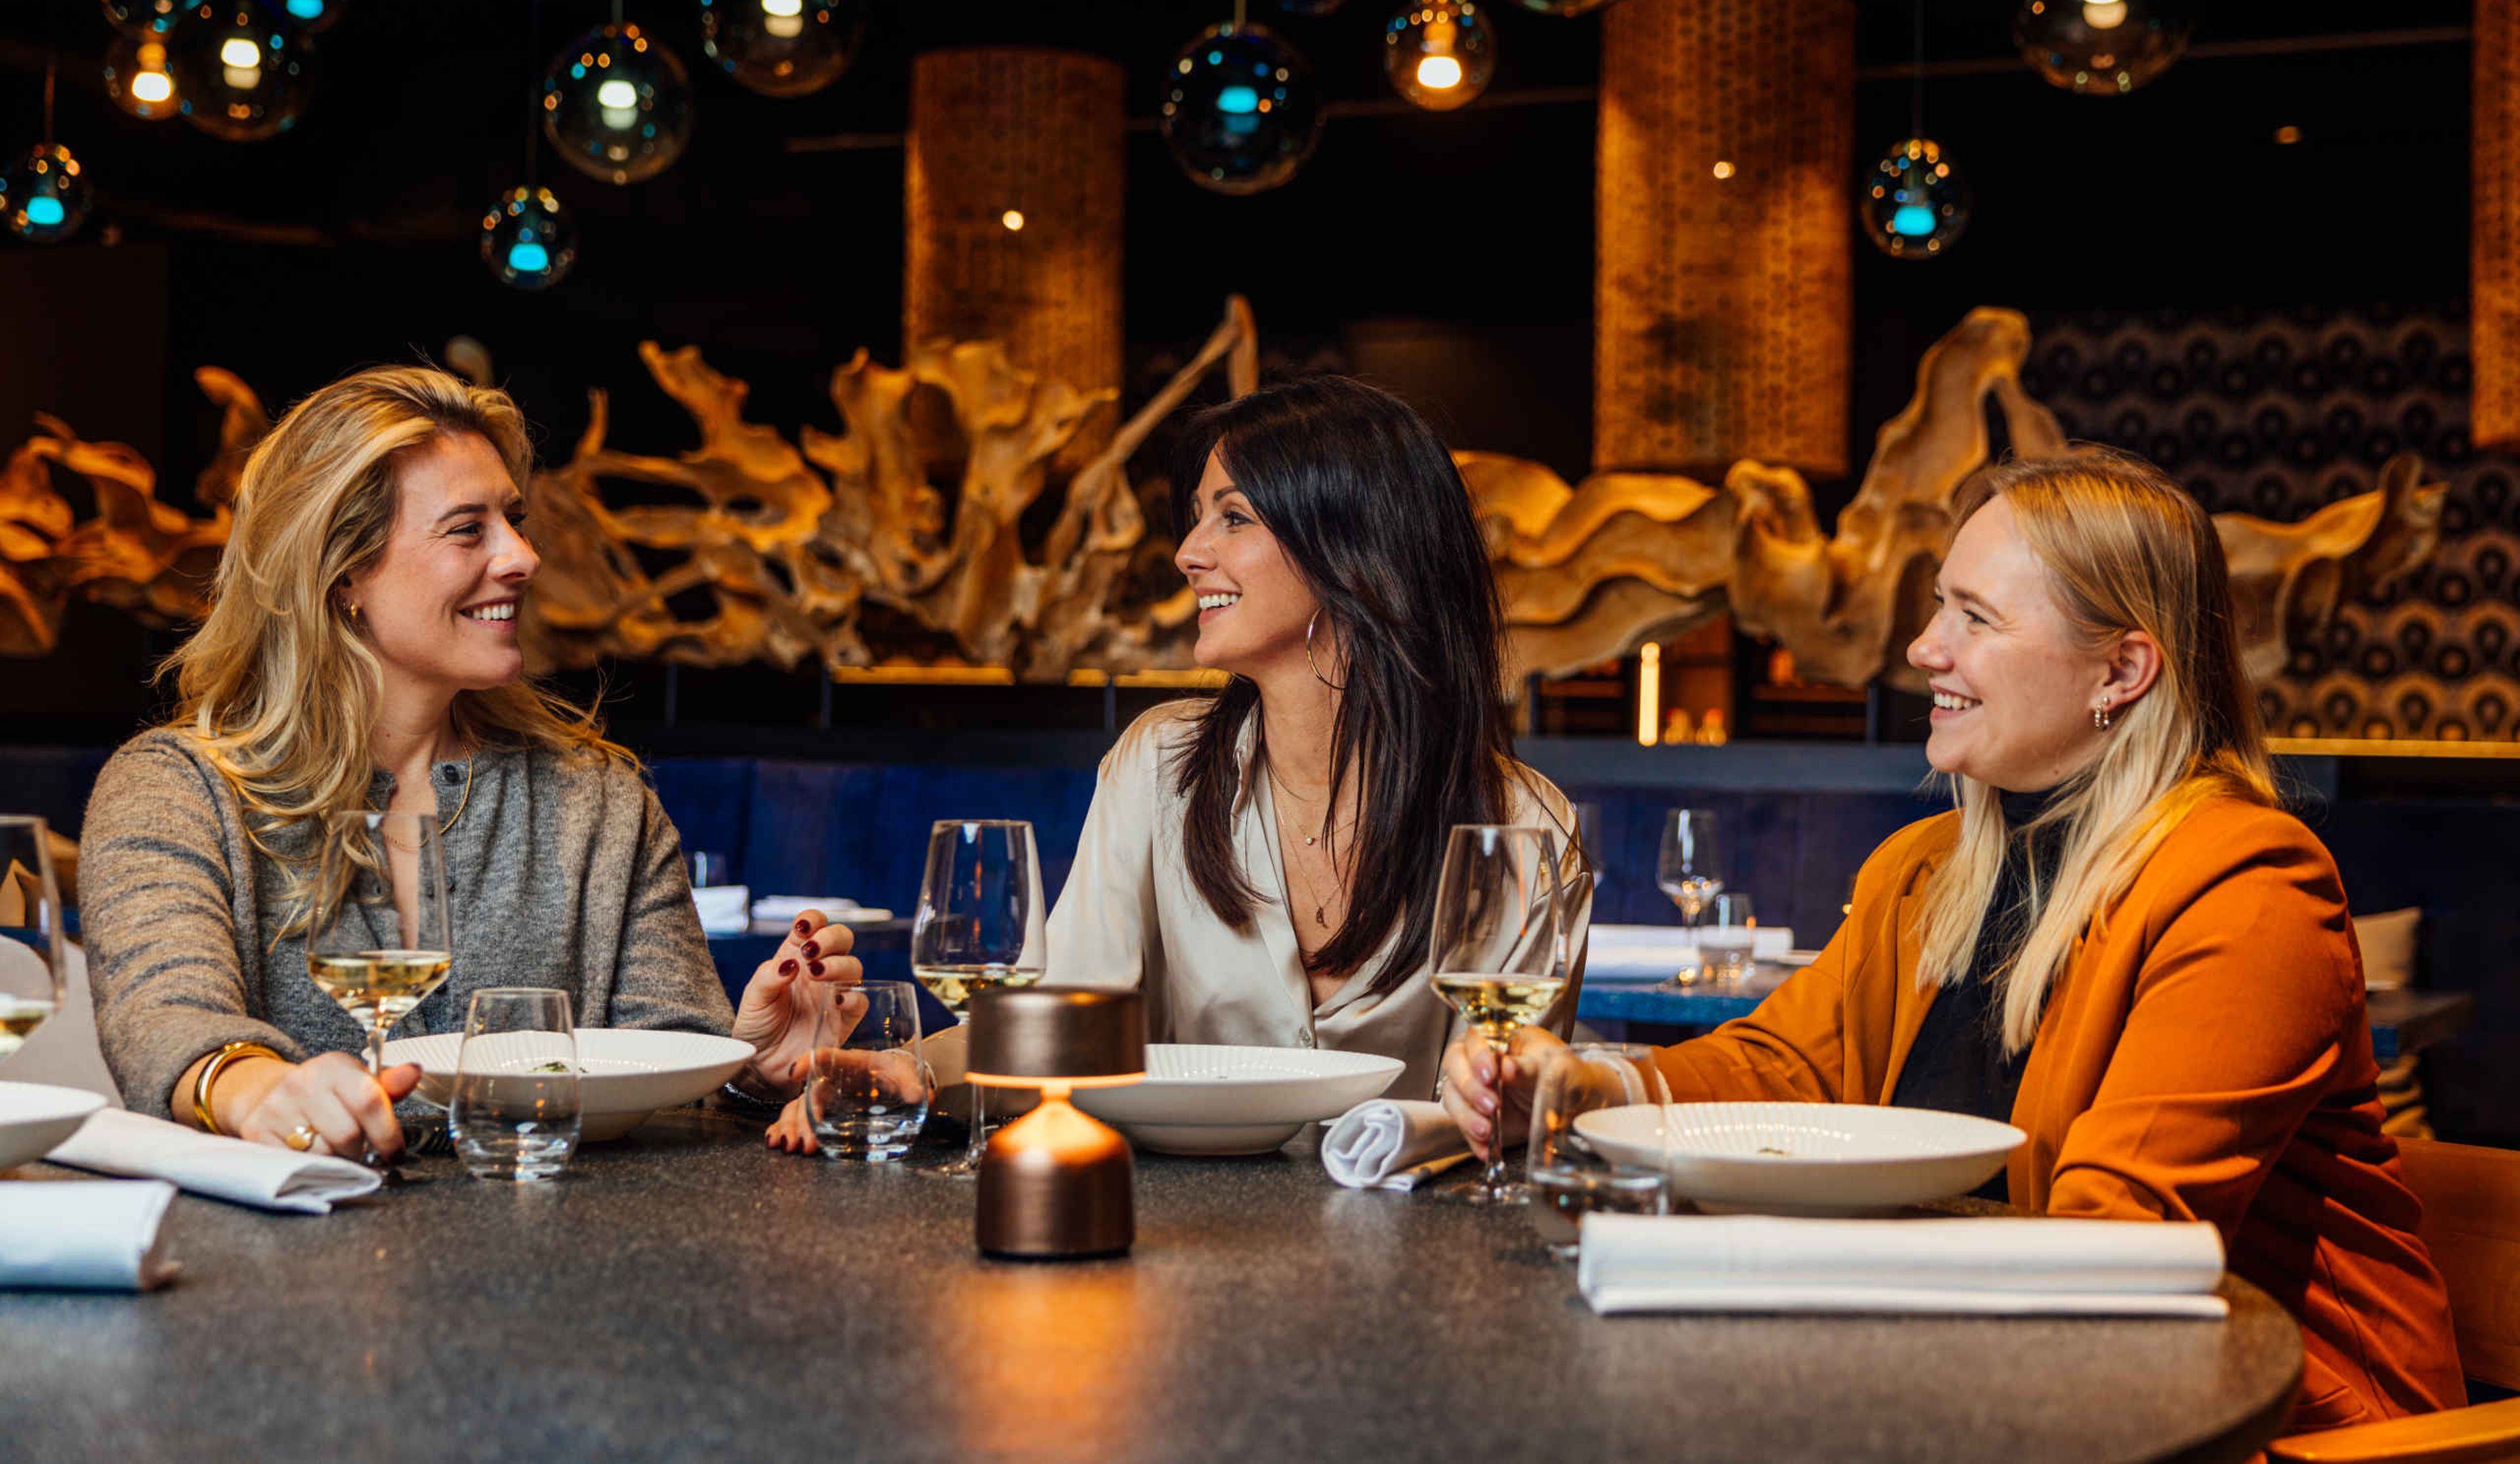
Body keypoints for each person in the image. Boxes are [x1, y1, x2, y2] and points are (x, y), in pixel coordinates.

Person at [1443, 448, 2462, 1434]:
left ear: (2123, 667)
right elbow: (1790, 1064)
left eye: (1973, 616)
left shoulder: (2247, 888)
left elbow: (2116, 1245)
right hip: (1986, 1378)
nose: (1925, 647)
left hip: (2261, 1421)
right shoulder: (1926, 868)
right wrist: (1584, 1088)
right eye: (1940, 605)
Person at [771, 375, 1591, 1152]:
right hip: (1174, 1251)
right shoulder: (1158, 766)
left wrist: (1505, 1090)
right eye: (1197, 516)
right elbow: (1057, 1018)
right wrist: (905, 1071)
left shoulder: (1526, 829)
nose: (1188, 552)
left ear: (1354, 549)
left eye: (1233, 518)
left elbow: (1510, 1111)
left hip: (1411, 1254)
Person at [80, 365, 849, 1159]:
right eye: (467, 528)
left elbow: (668, 1067)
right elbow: (167, 1023)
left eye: (514, 520)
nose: (523, 557)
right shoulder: (178, 789)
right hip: (281, 1259)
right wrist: (258, 1090)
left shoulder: (598, 800)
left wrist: (753, 1072)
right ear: (343, 569)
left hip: (559, 1262)